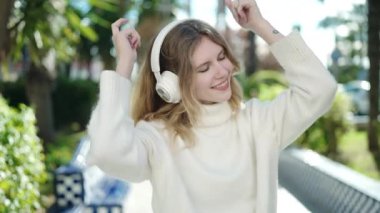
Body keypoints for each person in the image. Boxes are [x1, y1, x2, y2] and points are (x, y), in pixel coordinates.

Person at [86, 0, 337, 212]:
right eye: (204, 68)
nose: (222, 71)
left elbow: (320, 89)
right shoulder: (157, 136)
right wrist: (124, 67)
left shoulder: (259, 122)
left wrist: (258, 25)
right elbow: (107, 151)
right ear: (172, 83)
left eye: (221, 57)